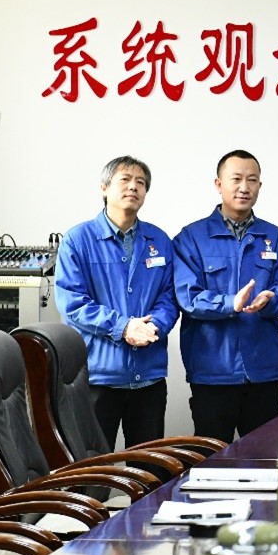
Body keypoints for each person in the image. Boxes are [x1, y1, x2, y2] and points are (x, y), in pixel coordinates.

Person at [55, 155, 179, 449]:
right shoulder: (78, 239)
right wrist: (124, 327)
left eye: (141, 183)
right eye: (125, 180)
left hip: (148, 377)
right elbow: (73, 302)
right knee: (93, 467)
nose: (133, 187)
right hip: (97, 377)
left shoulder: (159, 241)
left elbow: (170, 297)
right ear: (104, 187)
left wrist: (152, 327)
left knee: (149, 467)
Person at [173, 149, 278, 442]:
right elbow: (188, 297)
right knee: (212, 460)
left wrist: (271, 300)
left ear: (260, 186)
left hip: (264, 369)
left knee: (265, 457)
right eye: (236, 179)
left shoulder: (275, 237)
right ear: (218, 184)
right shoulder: (191, 238)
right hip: (212, 370)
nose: (244, 187)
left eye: (252, 180)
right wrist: (230, 304)